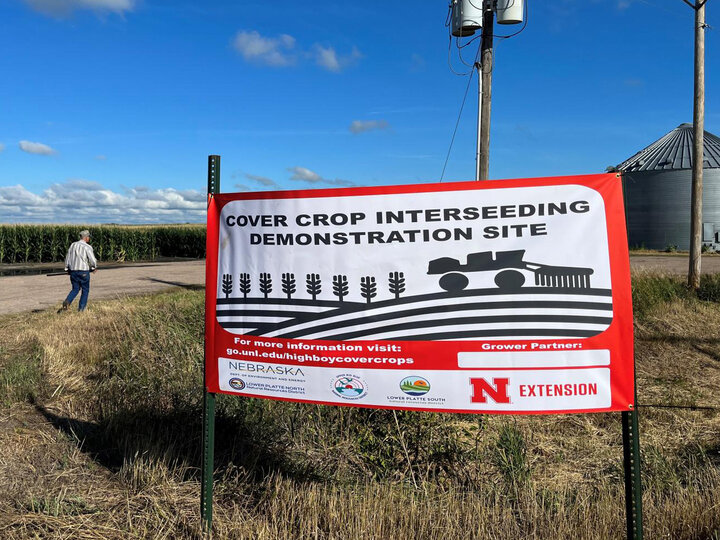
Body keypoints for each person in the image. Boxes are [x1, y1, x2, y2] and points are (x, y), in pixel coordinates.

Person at [59, 230, 98, 312]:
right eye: (89, 237)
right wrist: (94, 267)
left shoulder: (73, 245)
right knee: (85, 290)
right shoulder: (87, 247)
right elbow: (92, 260)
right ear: (86, 237)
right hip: (83, 271)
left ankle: (68, 301)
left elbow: (68, 257)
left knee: (75, 289)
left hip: (73, 271)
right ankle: (81, 309)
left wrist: (67, 269)